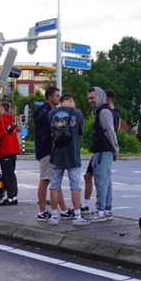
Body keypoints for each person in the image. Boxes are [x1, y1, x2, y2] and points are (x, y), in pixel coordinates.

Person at [47, 95, 89, 226]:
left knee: (54, 186)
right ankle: (77, 216)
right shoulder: (77, 113)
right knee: (75, 186)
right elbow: (81, 132)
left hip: (57, 154)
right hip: (73, 154)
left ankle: (54, 216)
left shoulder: (51, 113)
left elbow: (51, 133)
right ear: (71, 99)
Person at [82, 89, 121, 215]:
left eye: (92, 98)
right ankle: (106, 210)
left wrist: (116, 150)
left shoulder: (104, 112)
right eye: (89, 98)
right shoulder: (106, 111)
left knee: (101, 181)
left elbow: (109, 131)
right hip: (104, 150)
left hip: (103, 150)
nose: (90, 101)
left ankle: (101, 211)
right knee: (106, 180)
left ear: (100, 97)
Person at [34, 86, 69, 221]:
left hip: (47, 150)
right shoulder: (46, 113)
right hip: (46, 151)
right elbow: (46, 133)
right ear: (50, 98)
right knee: (45, 180)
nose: (59, 98)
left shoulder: (47, 111)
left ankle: (64, 209)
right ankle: (42, 211)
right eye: (57, 96)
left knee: (55, 180)